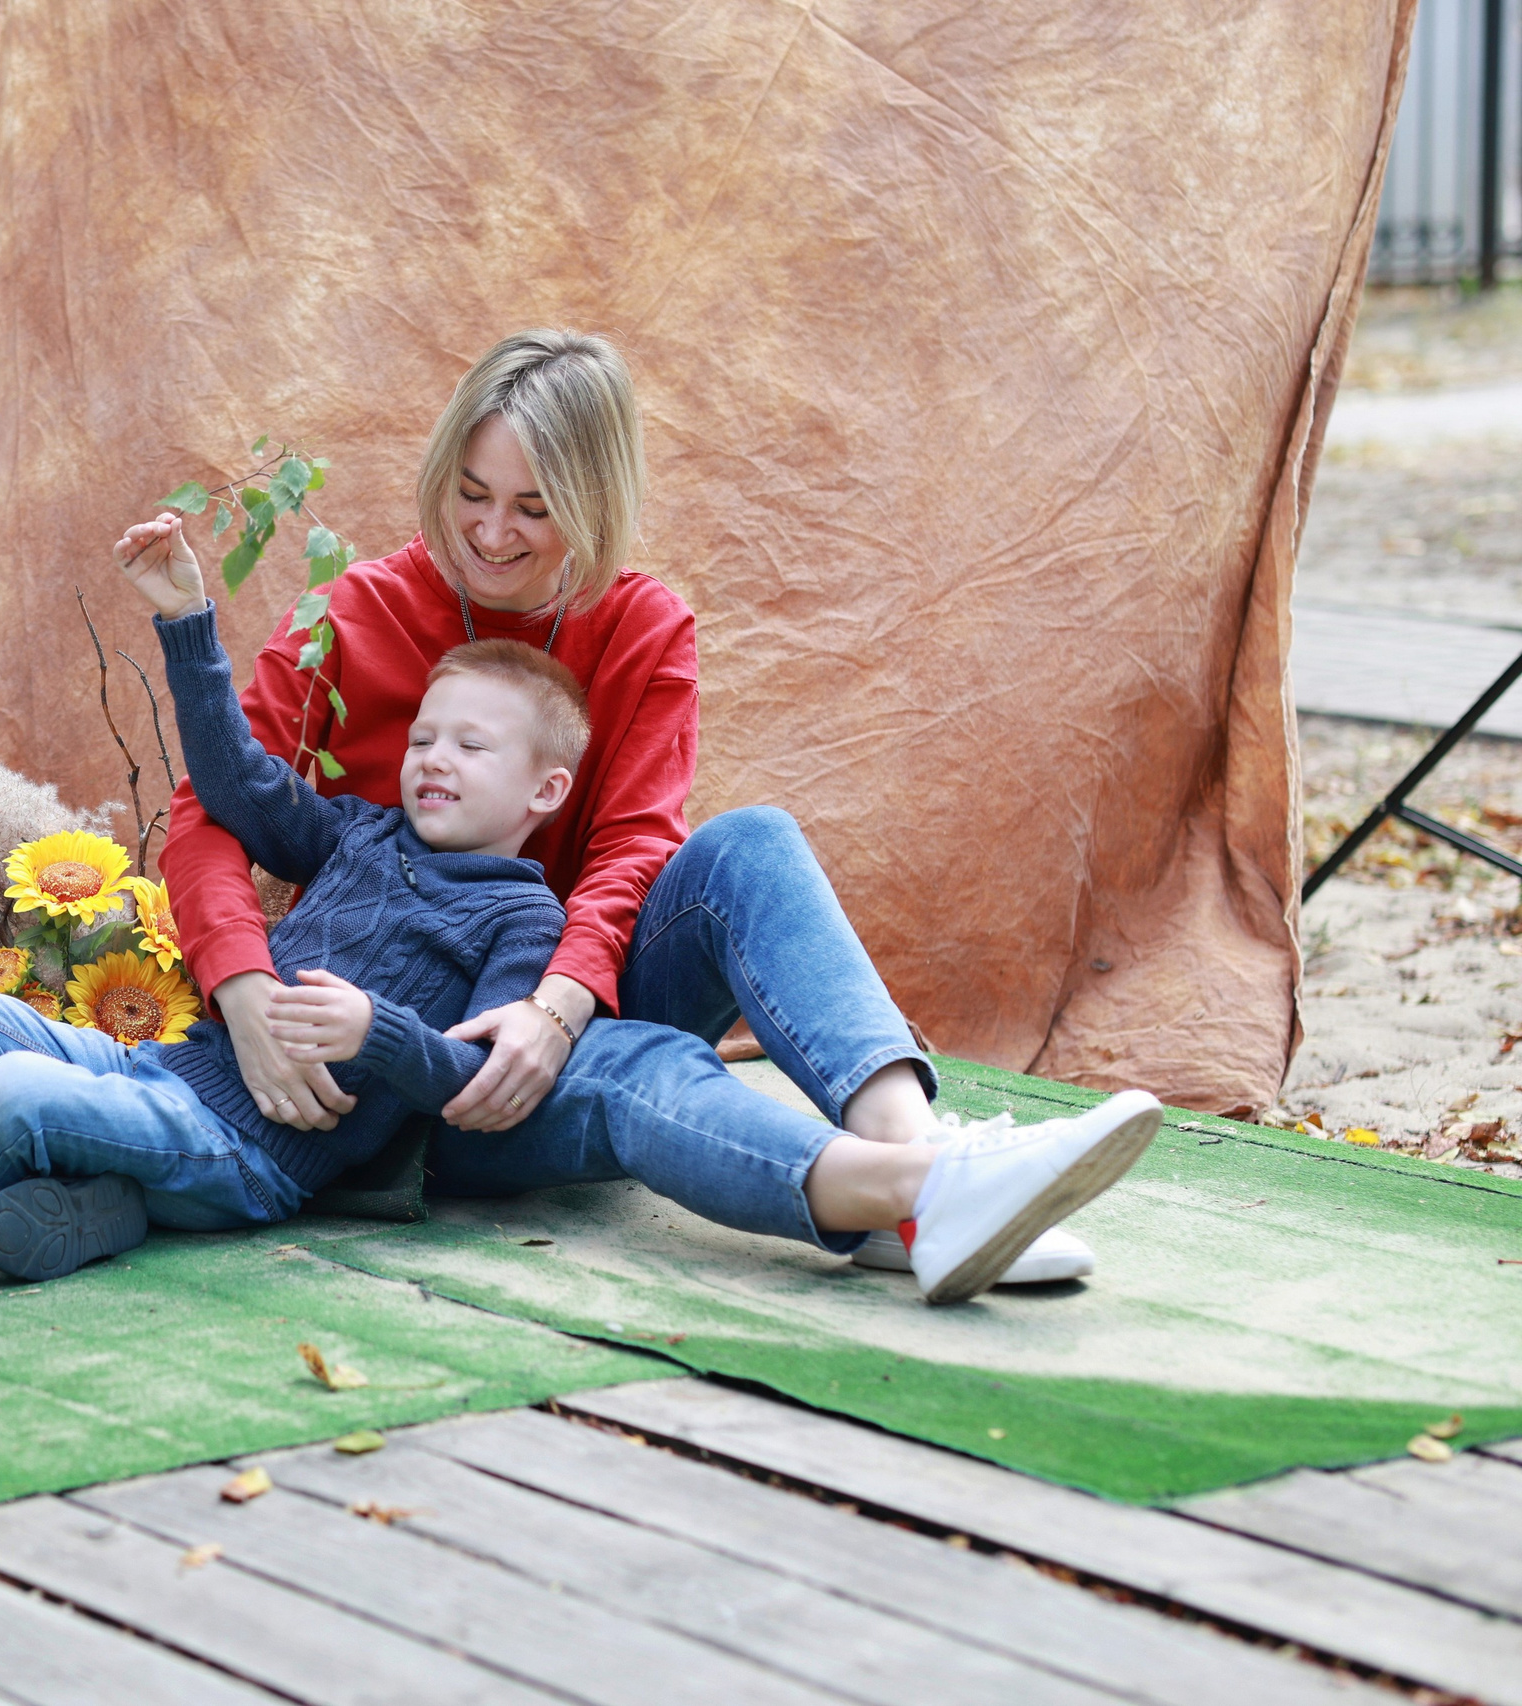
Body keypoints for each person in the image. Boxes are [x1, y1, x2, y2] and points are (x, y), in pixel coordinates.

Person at [117, 328, 1157, 1300]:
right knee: (631, 1072)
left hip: (558, 995)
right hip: (416, 1058)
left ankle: (919, 1165)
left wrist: (555, 1005)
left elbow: (631, 848)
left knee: (748, 843)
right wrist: (243, 989)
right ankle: (926, 1201)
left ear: (594, 496)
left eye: (533, 506)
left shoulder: (642, 625)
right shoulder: (356, 612)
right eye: (471, 492)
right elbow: (218, 806)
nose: (489, 531)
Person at [0, 619, 586, 1281]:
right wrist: (187, 625)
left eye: (470, 747)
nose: (434, 758)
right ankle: (100, 1197)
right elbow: (239, 783)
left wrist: (377, 1030)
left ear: (545, 789)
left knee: (11, 1092)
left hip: (246, 1157)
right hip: (161, 1074)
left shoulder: (523, 918)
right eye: (423, 739)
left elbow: (478, 1085)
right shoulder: (360, 833)